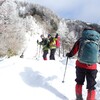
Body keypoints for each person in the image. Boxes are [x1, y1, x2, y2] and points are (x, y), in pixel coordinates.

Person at [66, 27, 100, 100]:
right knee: (91, 86)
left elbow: (74, 51)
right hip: (92, 67)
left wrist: (69, 55)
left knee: (79, 82)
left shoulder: (81, 40)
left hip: (80, 65)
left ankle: (79, 98)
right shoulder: (98, 41)